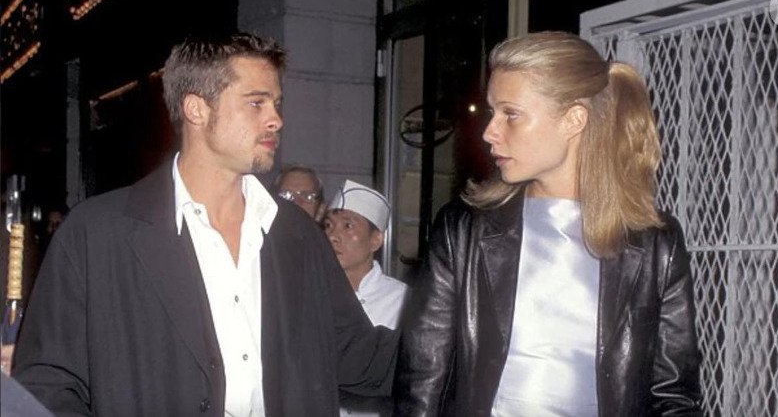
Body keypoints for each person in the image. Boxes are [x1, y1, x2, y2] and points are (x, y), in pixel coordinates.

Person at [12, 32, 397, 416]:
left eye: (276, 104)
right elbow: (48, 385)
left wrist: (434, 335)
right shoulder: (97, 234)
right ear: (196, 110)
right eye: (256, 103)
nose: (276, 120)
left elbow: (356, 355)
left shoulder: (296, 234)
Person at [394, 31, 701, 416]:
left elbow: (674, 396)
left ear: (573, 119)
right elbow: (421, 382)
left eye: (511, 114)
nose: (489, 131)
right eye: (492, 112)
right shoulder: (463, 231)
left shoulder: (656, 244)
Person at [324, 180, 408, 416]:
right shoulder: (311, 295)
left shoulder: (404, 301)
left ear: (375, 240)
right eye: (328, 226)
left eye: (348, 226)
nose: (333, 236)